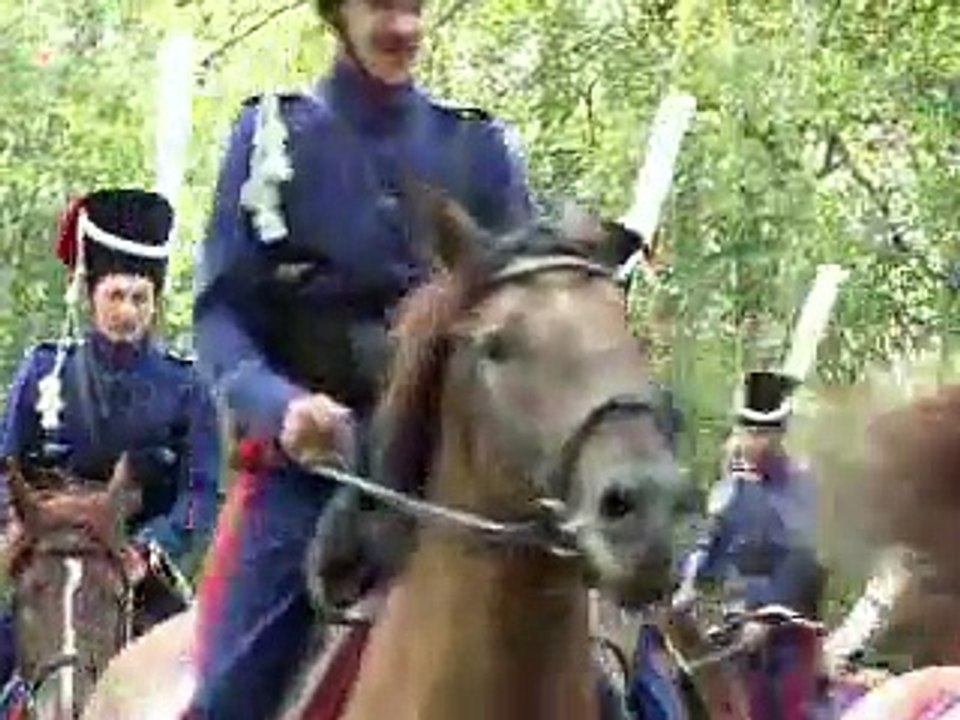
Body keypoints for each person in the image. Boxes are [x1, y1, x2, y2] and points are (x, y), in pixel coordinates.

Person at [184, 0, 532, 716]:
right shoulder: (271, 138)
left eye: (413, 5)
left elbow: (528, 314)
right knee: (232, 700)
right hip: (310, 481)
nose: (401, 26)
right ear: (337, 12)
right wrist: (280, 408)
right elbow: (221, 320)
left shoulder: (477, 150)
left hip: (450, 487)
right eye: (379, 5)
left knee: (630, 670)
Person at [0, 188, 222, 683]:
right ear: (91, 296)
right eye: (115, 296)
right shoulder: (42, 373)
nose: (127, 311)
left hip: (137, 566)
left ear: (155, 302)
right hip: (49, 560)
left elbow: (202, 492)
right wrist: (16, 532)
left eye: (139, 298)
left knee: (208, 681)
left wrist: (151, 548)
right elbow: (5, 465)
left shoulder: (187, 387)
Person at [670, 370, 826, 720]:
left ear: (780, 434)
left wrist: (769, 617)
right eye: (747, 431)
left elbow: (803, 562)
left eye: (763, 433)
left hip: (788, 638)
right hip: (729, 632)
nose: (754, 441)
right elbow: (708, 540)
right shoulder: (730, 487)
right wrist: (688, 581)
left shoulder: (801, 488)